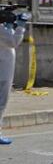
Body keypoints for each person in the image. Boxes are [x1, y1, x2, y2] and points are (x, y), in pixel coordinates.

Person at [0, 17, 27, 145]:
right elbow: (14, 42)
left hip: (4, 70)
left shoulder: (3, 30)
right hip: (3, 73)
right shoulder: (1, 30)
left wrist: (9, 28)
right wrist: (20, 27)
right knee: (1, 103)